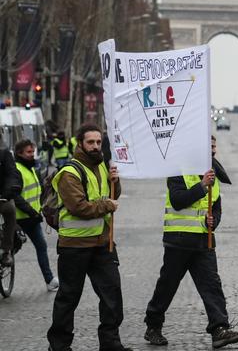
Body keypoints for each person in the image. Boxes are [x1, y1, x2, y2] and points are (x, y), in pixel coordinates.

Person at [144, 135, 238, 349]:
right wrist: (202, 185)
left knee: (212, 286)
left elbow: (216, 206)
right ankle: (153, 326)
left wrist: (214, 221)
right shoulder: (178, 169)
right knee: (167, 286)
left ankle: (219, 329)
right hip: (179, 240)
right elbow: (178, 201)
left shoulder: (212, 172)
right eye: (210, 147)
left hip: (204, 240)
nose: (214, 151)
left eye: (215, 146)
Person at [47, 124, 131, 351]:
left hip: (102, 243)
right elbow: (79, 207)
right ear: (80, 144)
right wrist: (108, 205)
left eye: (98, 142)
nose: (95, 146)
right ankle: (59, 346)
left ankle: (110, 343)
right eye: (90, 142)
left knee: (112, 294)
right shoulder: (69, 173)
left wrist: (116, 182)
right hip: (74, 246)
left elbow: (110, 195)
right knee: (68, 297)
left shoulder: (102, 166)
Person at [13, 139, 58, 291]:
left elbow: (37, 191)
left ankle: (49, 279)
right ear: (19, 153)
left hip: (32, 219)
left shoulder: (31, 168)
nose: (32, 155)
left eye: (33, 152)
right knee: (11, 250)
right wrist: (31, 212)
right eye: (29, 152)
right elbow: (16, 196)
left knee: (41, 246)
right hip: (17, 219)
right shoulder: (17, 169)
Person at [0, 142, 21, 266]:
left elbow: (12, 175)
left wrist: (8, 192)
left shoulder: (4, 154)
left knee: (10, 210)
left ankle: (6, 250)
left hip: (2, 196)